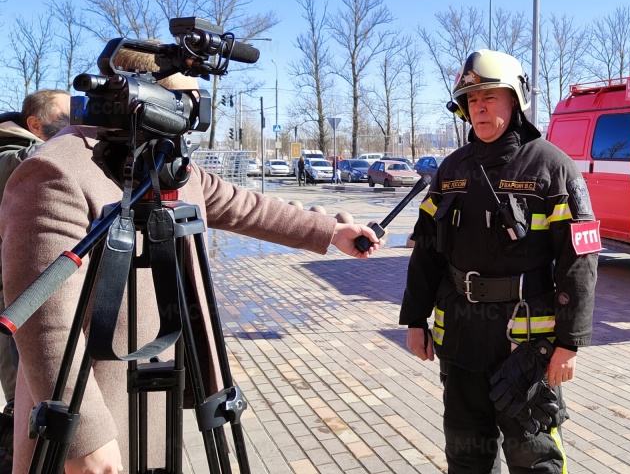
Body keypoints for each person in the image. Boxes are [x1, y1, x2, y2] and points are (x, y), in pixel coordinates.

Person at [0, 49, 380, 474]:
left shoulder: (166, 162)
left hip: (161, 390)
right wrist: (85, 439)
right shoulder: (58, 167)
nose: (194, 116)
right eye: (184, 101)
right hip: (91, 418)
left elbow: (244, 205)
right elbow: (44, 320)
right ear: (140, 99)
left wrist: (329, 231)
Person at [399, 49, 598, 473]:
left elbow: (579, 261)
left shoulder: (553, 168)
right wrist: (415, 320)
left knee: (536, 458)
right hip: (460, 340)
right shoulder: (450, 170)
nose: (479, 108)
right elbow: (428, 252)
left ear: (516, 100)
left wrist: (569, 342)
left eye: (489, 96)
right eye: (471, 100)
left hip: (525, 347)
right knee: (466, 458)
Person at [0, 89, 71, 473]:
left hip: (36, 297)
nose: (73, 126)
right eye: (67, 117)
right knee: (31, 407)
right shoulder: (12, 156)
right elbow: (32, 161)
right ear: (35, 125)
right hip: (17, 305)